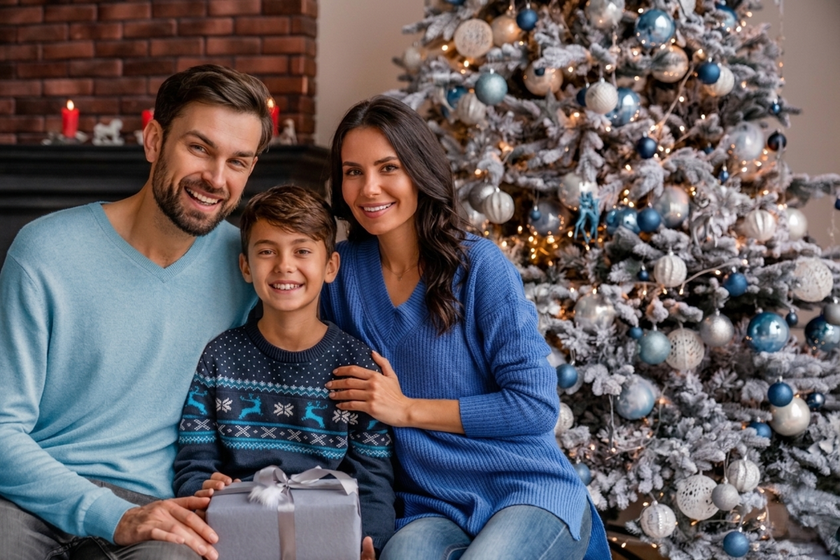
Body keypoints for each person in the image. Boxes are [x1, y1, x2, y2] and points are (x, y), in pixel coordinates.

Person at [320, 96, 612, 560]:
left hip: (527, 490)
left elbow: (535, 407)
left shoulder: (479, 267)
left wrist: (407, 410)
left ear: (419, 170)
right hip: (428, 506)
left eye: (388, 167)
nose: (369, 188)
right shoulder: (339, 273)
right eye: (353, 171)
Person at [0, 64, 273, 560]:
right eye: (199, 148)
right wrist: (109, 514)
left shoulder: (252, 267)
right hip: (31, 497)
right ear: (153, 141)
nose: (216, 178)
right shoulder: (44, 251)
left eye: (238, 161)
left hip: (160, 507)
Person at [172, 185, 395, 558]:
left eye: (302, 251)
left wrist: (369, 542)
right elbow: (194, 459)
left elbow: (373, 476)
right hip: (240, 536)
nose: (284, 266)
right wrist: (202, 488)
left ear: (330, 267)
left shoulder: (355, 366)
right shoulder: (219, 357)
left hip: (329, 538)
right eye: (266, 252)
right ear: (246, 266)